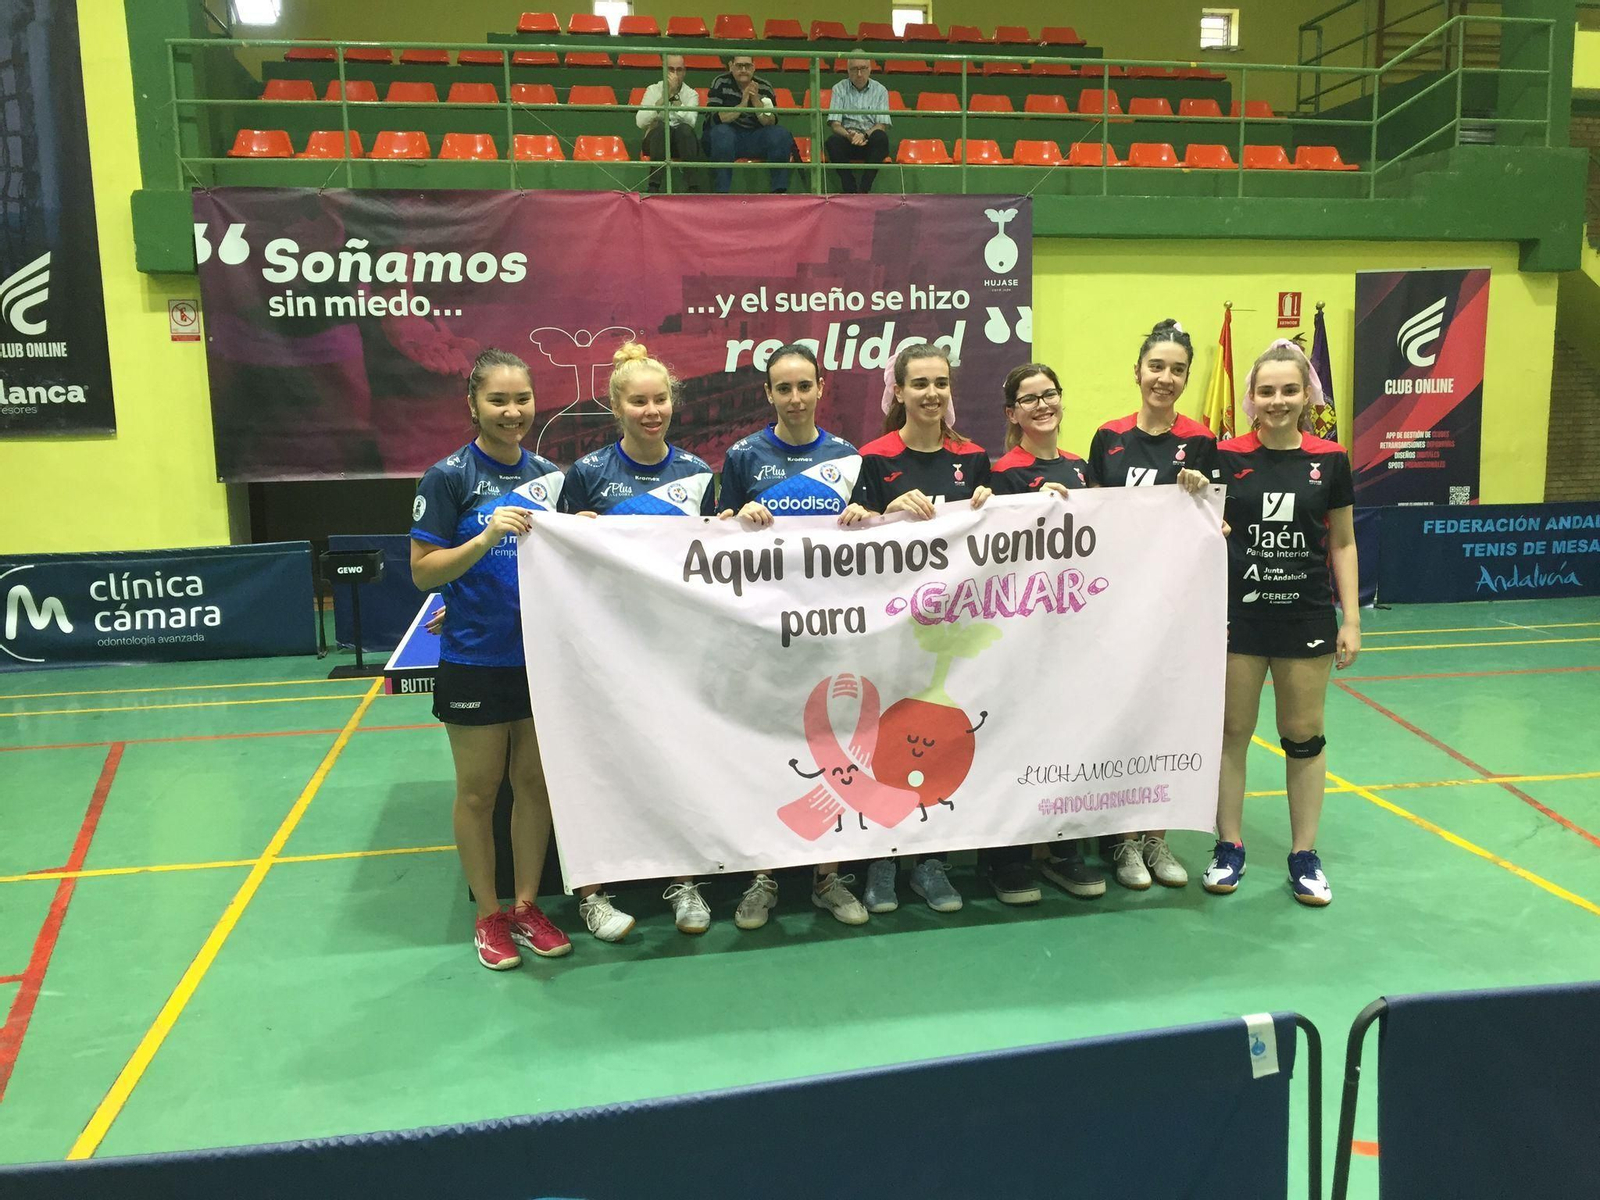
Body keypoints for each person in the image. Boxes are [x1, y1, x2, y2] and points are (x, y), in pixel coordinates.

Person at [408, 349, 574, 971]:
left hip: (542, 660)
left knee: (533, 787)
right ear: (473, 405)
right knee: (479, 794)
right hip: (476, 658)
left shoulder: (550, 477)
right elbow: (424, 574)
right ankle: (487, 914)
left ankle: (527, 905)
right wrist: (484, 538)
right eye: (498, 401)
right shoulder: (447, 478)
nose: (512, 412)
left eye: (522, 400)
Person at [560, 342, 719, 935]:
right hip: (604, 646)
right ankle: (595, 893)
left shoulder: (699, 475)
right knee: (598, 764)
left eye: (659, 400)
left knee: (677, 761)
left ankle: (685, 882)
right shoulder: (587, 475)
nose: (650, 410)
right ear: (615, 405)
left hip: (677, 648)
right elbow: (557, 558)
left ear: (672, 404)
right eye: (637, 401)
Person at [719, 344, 871, 930]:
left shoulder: (848, 458)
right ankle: (763, 877)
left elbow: (874, 550)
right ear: (768, 394)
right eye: (783, 388)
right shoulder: (742, 457)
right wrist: (738, 521)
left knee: (831, 753)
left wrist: (864, 521)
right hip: (763, 635)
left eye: (804, 385)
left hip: (831, 635)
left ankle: (827, 878)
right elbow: (710, 540)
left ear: (821, 387)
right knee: (764, 752)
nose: (795, 398)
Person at [1204, 339, 1359, 907]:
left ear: (1306, 395)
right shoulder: (1222, 456)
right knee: (1231, 734)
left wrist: (1353, 620)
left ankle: (1303, 854)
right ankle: (1229, 845)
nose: (1277, 400)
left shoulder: (1330, 459)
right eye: (1266, 390)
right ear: (1251, 397)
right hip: (1238, 618)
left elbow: (1342, 542)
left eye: (1289, 390)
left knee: (1302, 736)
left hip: (1306, 618)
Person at [841, 342, 992, 915]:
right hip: (890, 631)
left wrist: (988, 502)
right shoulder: (874, 458)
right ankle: (881, 862)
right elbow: (850, 537)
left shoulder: (974, 459)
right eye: (920, 383)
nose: (932, 393)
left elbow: (1002, 540)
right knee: (890, 736)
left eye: (941, 383)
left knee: (940, 737)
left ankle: (930, 862)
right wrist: (869, 514)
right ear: (897, 392)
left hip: (951, 632)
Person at [1086, 318, 1218, 893]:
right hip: (1113, 607)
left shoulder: (1202, 441)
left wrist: (1202, 495)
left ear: (1186, 379)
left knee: (1167, 717)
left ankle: (1156, 836)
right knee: (1119, 716)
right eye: (1156, 367)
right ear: (1137, 372)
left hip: (1175, 609)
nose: (1165, 378)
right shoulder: (1108, 436)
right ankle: (1120, 838)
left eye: (1177, 370)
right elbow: (1087, 518)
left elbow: (1217, 524)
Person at [984, 363, 1106, 903]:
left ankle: (1063, 848)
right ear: (1012, 413)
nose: (1042, 405)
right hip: (1018, 636)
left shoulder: (1083, 469)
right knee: (1017, 738)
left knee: (1068, 737)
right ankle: (1008, 855)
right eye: (1028, 399)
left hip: (1072, 633)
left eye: (1049, 395)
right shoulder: (1000, 473)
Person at [704, 55, 795, 193]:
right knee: (721, 133)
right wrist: (743, 103)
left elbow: (770, 122)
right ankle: (721, 192)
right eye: (739, 66)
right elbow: (714, 119)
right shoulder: (720, 82)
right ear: (731, 66)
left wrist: (756, 100)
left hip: (756, 137)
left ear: (754, 67)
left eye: (747, 66)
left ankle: (779, 190)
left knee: (780, 134)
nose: (743, 70)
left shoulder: (764, 86)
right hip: (729, 135)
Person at [636, 55, 703, 193]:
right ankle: (653, 187)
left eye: (679, 70)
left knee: (684, 130)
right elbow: (640, 121)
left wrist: (676, 99)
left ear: (684, 72)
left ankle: (693, 187)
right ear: (664, 70)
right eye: (671, 69)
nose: (675, 74)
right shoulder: (653, 90)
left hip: (682, 143)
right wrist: (664, 98)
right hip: (655, 142)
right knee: (661, 128)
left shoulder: (691, 94)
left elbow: (691, 122)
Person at [825, 59, 893, 194]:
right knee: (832, 142)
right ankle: (849, 187)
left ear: (870, 69)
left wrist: (865, 135)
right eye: (855, 69)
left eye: (863, 68)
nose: (859, 73)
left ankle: (864, 189)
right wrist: (848, 135)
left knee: (881, 138)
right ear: (848, 70)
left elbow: (881, 125)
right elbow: (835, 124)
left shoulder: (880, 90)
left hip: (869, 140)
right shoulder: (838, 88)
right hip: (848, 138)